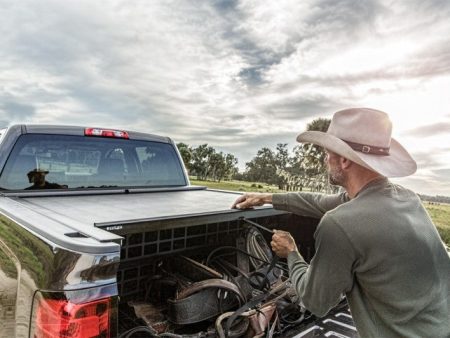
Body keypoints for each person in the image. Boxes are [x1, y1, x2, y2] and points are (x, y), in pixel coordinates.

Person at [232, 108, 450, 338]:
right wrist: (267, 198)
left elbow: (315, 302)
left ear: (344, 160)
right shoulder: (407, 198)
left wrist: (292, 253)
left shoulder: (340, 224)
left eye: (328, 153)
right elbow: (318, 201)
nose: (326, 160)